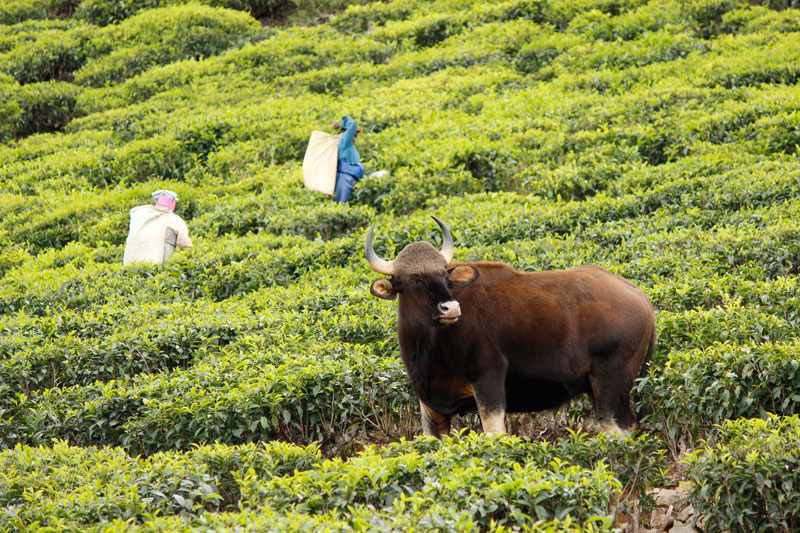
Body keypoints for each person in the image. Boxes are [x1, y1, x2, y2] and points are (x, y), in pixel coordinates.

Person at [123, 189, 192, 266]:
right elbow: (184, 243)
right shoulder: (173, 219)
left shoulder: (142, 215)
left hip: (133, 264)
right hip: (160, 263)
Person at [332, 115, 365, 203]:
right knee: (341, 203)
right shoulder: (344, 142)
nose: (356, 134)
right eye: (355, 132)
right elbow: (352, 124)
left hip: (351, 178)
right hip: (344, 178)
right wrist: (340, 124)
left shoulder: (349, 146)